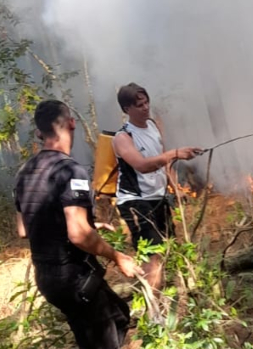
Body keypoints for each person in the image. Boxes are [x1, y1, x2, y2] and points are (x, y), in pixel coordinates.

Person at [14, 100, 142, 349]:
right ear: (72, 123)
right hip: (73, 276)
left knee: (116, 315)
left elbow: (24, 229)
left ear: (40, 132)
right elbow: (79, 235)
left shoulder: (24, 172)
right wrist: (118, 257)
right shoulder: (71, 170)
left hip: (46, 278)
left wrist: (89, 224)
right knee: (108, 333)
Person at [112, 82, 203, 290]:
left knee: (169, 248)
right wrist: (175, 153)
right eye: (139, 105)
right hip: (136, 201)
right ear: (127, 109)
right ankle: (154, 305)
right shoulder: (123, 137)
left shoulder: (153, 126)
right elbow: (142, 165)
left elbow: (163, 161)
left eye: (147, 102)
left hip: (158, 198)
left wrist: (175, 187)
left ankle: (169, 299)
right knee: (152, 257)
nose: (145, 108)